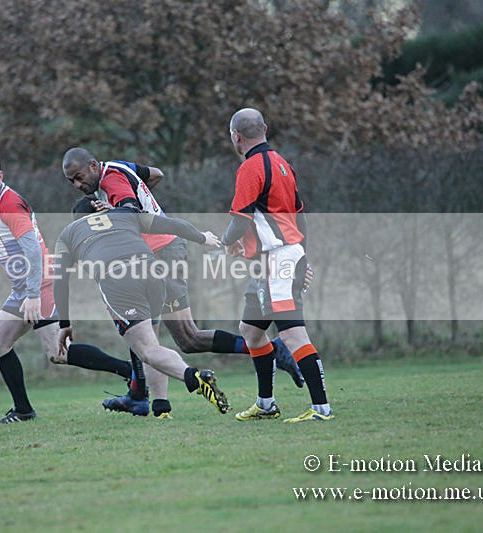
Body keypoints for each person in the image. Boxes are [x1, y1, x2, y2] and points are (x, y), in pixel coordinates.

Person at [62, 148, 303, 419]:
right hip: (162, 249)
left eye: (80, 177)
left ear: (93, 166)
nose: (78, 185)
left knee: (168, 337)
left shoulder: (111, 182)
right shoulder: (119, 166)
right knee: (166, 337)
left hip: (159, 252)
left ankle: (269, 351)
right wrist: (145, 200)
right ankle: (147, 399)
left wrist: (118, 212)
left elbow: (129, 209)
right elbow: (156, 174)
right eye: (71, 181)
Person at [0, 147, 149, 423]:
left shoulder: (9, 203)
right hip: (24, 289)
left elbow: (31, 251)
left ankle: (129, 371)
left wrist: (31, 295)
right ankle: (24, 410)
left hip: (39, 283)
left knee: (56, 353)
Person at [53, 197, 230, 415]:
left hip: (118, 278)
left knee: (147, 349)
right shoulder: (123, 214)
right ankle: (161, 407)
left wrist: (64, 323)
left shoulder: (69, 232)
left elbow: (59, 280)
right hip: (153, 271)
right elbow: (173, 225)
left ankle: (194, 377)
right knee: (152, 344)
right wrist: (202, 237)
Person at [221, 108, 333, 422]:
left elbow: (239, 221)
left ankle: (321, 408)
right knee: (251, 332)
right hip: (278, 259)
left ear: (236, 137)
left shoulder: (250, 168)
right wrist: (304, 258)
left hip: (277, 262)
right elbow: (300, 216)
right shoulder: (283, 164)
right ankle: (266, 404)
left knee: (293, 335)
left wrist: (224, 242)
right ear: (265, 128)